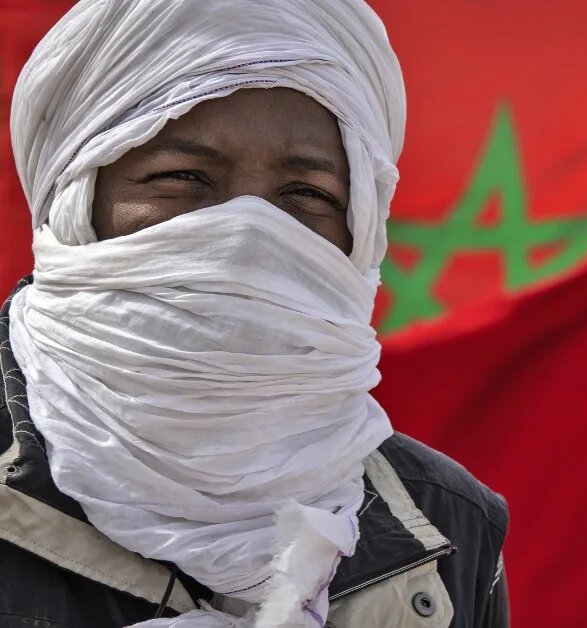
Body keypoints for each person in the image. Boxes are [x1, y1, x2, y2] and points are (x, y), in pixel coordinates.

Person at [0, 1, 509, 627]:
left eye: (306, 194)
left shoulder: (447, 524)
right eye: (184, 176)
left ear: (360, 234)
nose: (247, 233)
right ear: (75, 205)